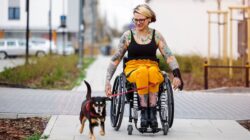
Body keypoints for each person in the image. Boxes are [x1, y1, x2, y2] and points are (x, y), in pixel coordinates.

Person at [105, 4, 183, 129]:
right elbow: (116, 59)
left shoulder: (156, 35)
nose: (138, 23)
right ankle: (144, 112)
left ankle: (151, 114)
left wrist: (177, 75)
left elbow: (169, 56)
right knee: (142, 71)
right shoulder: (127, 36)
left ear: (149, 19)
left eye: (141, 20)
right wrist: (107, 80)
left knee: (152, 71)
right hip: (133, 68)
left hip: (151, 66)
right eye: (135, 20)